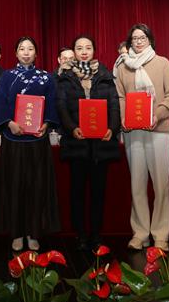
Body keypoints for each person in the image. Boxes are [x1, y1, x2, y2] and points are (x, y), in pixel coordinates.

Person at [0, 36, 61, 251]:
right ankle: (16, 233)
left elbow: (52, 104)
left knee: (36, 187)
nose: (26, 52)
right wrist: (9, 123)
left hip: (37, 141)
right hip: (13, 139)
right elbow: (0, 102)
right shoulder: (7, 76)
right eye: (22, 49)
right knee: (14, 186)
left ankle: (33, 233)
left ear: (36, 53)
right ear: (15, 53)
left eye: (30, 49)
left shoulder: (46, 77)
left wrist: (47, 123)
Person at [115, 24, 169, 252]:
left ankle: (160, 234)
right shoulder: (123, 67)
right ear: (130, 42)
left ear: (150, 39)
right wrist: (124, 117)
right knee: (137, 184)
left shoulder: (162, 63)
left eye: (142, 38)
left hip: (158, 130)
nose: (139, 41)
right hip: (133, 132)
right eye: (134, 38)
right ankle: (140, 233)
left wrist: (157, 115)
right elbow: (121, 96)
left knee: (161, 185)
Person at [56, 35, 120, 251]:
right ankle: (81, 234)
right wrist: (71, 128)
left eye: (88, 47)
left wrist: (112, 128)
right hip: (77, 143)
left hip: (101, 145)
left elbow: (114, 105)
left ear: (94, 50)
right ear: (74, 52)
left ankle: (96, 234)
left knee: (98, 193)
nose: (84, 52)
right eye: (79, 48)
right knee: (77, 192)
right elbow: (61, 106)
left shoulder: (105, 75)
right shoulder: (65, 77)